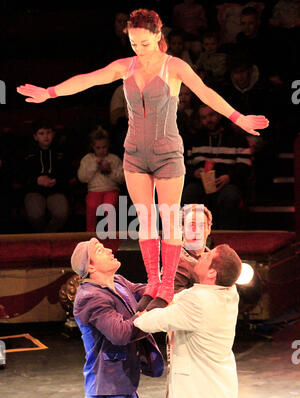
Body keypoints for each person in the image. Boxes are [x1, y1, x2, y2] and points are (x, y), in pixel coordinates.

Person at [17, 8, 268, 312]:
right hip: (135, 153)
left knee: (168, 218)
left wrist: (239, 119)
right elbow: (88, 79)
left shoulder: (174, 67)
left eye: (144, 43)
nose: (139, 49)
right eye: (134, 43)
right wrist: (50, 92)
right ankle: (152, 282)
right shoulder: (126, 66)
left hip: (167, 154)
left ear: (158, 36)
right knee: (146, 220)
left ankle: (167, 285)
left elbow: (205, 93)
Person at [134, 243, 242, 398]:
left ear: (212, 272)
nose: (202, 255)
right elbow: (179, 298)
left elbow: (150, 322)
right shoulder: (229, 291)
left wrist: (137, 315)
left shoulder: (199, 301)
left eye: (208, 256)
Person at [70, 237, 164, 398]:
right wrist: (151, 314)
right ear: (91, 266)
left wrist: (169, 291)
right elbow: (120, 333)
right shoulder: (90, 297)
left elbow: (147, 291)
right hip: (108, 388)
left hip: (125, 383)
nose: (110, 250)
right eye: (101, 251)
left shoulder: (119, 282)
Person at [158, 203, 212, 398]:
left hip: (209, 345)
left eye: (202, 225)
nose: (197, 230)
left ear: (210, 229)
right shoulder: (176, 261)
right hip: (184, 344)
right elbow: (172, 302)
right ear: (180, 229)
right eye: (191, 225)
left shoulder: (213, 257)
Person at [182, 104, 252, 229]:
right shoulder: (194, 140)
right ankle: (194, 237)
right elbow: (184, 166)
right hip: (200, 183)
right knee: (189, 193)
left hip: (228, 183)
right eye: (204, 117)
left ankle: (227, 237)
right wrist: (194, 172)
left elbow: (245, 167)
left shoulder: (237, 138)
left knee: (230, 196)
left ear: (219, 115)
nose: (208, 120)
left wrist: (229, 177)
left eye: (211, 115)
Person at [22, 118, 70, 233]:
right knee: (35, 215)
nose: (46, 136)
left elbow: (68, 173)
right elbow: (21, 175)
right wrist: (36, 180)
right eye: (41, 133)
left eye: (48, 132)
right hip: (34, 190)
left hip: (56, 190)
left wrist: (56, 181)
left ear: (53, 134)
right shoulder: (28, 154)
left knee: (61, 213)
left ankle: (48, 235)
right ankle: (42, 236)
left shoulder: (61, 152)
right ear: (35, 137)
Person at [77, 127, 124, 232]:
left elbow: (122, 179)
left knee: (109, 206)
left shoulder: (114, 159)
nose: (101, 150)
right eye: (98, 148)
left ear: (108, 146)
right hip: (94, 191)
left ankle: (111, 233)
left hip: (111, 190)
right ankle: (90, 233)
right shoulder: (87, 159)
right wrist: (94, 166)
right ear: (92, 147)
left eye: (104, 147)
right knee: (91, 206)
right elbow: (82, 178)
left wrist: (110, 170)